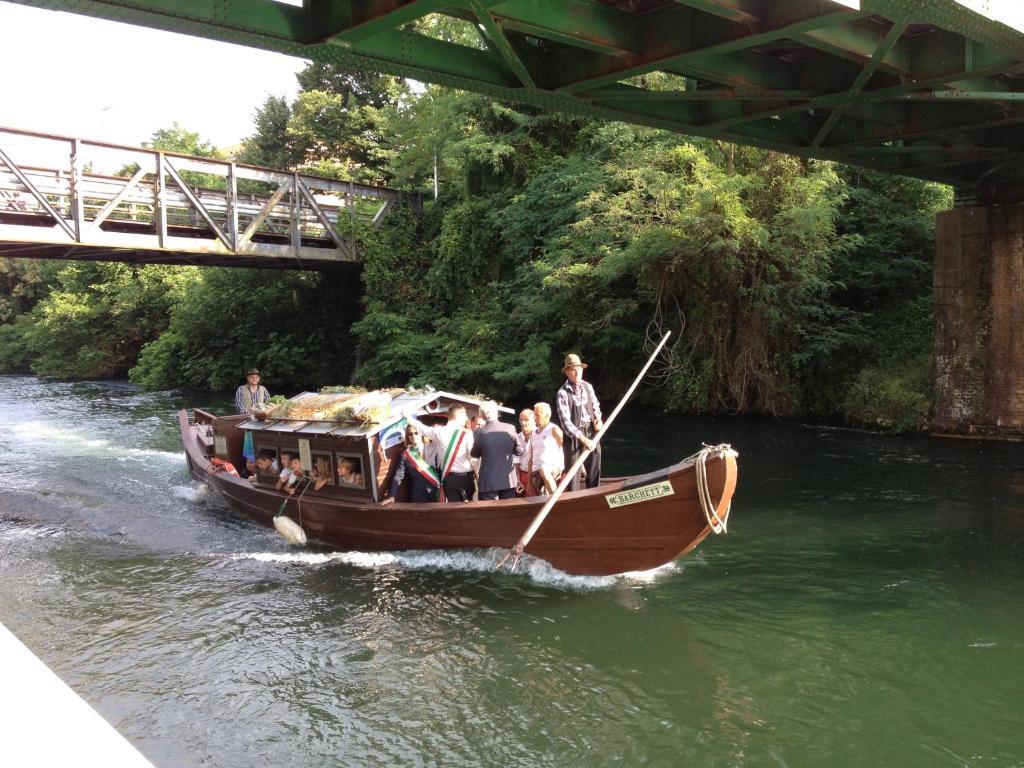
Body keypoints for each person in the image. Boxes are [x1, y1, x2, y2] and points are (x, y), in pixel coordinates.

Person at [405, 404, 475, 502]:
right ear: (458, 416)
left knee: (454, 507)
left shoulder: (439, 432)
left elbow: (422, 428)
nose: (467, 418)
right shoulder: (467, 433)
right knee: (468, 507)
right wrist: (478, 476)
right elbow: (473, 459)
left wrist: (408, 417)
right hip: (465, 478)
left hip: (449, 479)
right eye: (465, 415)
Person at [556, 353, 604, 490]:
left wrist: (598, 419)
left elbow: (596, 407)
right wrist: (583, 439)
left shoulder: (588, 387)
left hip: (590, 431)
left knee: (595, 464)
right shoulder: (562, 393)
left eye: (579, 369)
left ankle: (594, 494)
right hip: (574, 437)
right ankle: (574, 498)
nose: (577, 372)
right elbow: (566, 423)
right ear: (567, 372)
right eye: (573, 369)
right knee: (573, 473)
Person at [470, 401, 521, 500]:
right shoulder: (510, 428)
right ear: (496, 412)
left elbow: (474, 454)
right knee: (508, 509)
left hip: (488, 482)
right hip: (508, 480)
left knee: (489, 509)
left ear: (482, 415)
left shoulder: (479, 432)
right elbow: (518, 451)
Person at [381, 424, 440, 504]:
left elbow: (441, 470)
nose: (413, 436)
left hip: (436, 492)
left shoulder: (434, 448)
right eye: (410, 434)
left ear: (421, 433)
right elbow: (399, 475)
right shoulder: (406, 455)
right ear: (407, 437)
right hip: (418, 496)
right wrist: (392, 496)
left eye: (416, 433)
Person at [530, 402, 564, 495]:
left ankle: (557, 500)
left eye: (537, 415)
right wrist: (529, 481)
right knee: (542, 497)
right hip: (536, 473)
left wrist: (562, 468)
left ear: (547, 416)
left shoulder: (554, 429)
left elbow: (565, 448)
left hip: (552, 469)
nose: (534, 417)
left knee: (544, 470)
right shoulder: (533, 433)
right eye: (534, 415)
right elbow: (531, 457)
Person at [514, 408, 536, 496]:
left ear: (534, 420)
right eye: (521, 420)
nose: (523, 423)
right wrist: (518, 480)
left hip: (536, 476)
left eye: (526, 420)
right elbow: (516, 462)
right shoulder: (517, 438)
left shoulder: (539, 435)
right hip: (522, 476)